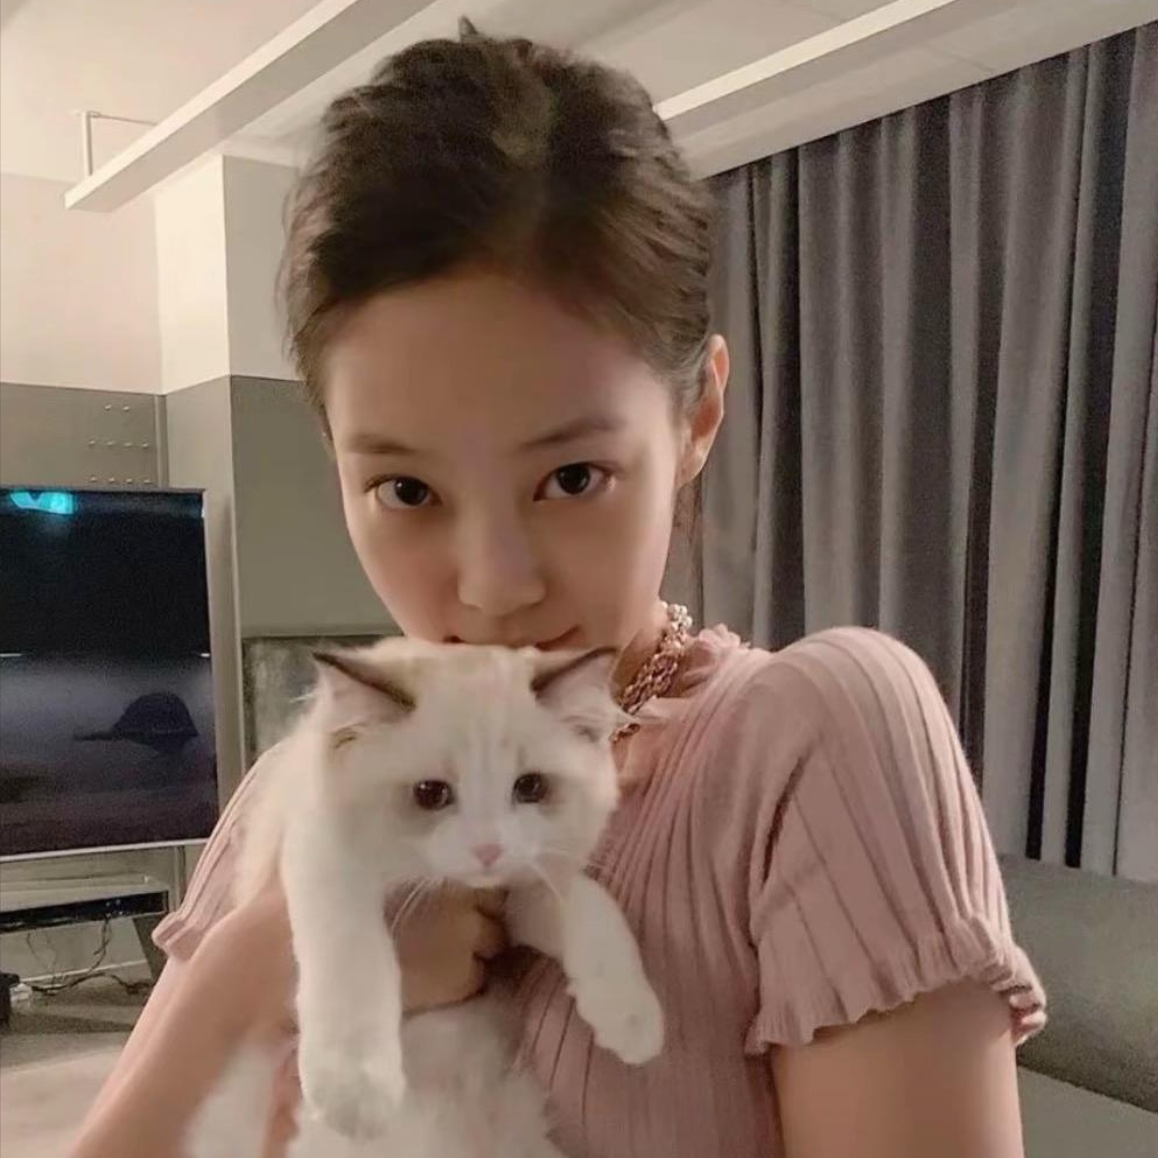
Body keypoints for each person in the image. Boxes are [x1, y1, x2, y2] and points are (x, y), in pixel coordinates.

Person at [71, 23, 1045, 1158]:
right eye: (405, 488)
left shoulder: (813, 742)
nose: (494, 587)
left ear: (697, 415)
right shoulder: (302, 779)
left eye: (572, 477)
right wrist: (259, 963)